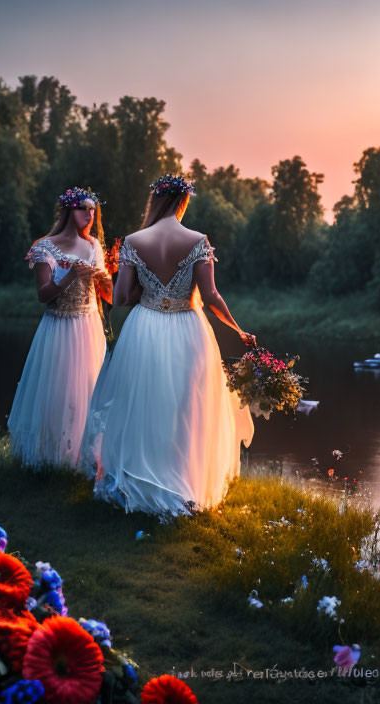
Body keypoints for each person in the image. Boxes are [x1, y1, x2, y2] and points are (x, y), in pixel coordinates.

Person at [80, 174, 254, 516]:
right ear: (183, 201)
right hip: (187, 329)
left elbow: (122, 298)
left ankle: (139, 477)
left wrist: (131, 279)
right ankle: (180, 481)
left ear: (156, 201)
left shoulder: (133, 240)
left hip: (143, 327)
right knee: (183, 407)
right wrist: (237, 328)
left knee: (141, 402)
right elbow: (211, 296)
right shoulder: (198, 240)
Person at [8, 187, 112, 468]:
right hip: (59, 328)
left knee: (89, 390)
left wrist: (103, 276)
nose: (89, 215)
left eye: (92, 210)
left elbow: (108, 294)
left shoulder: (93, 246)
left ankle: (85, 456)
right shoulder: (44, 246)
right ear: (69, 211)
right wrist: (69, 277)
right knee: (58, 391)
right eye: (83, 209)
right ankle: (51, 458)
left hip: (89, 325)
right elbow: (43, 294)